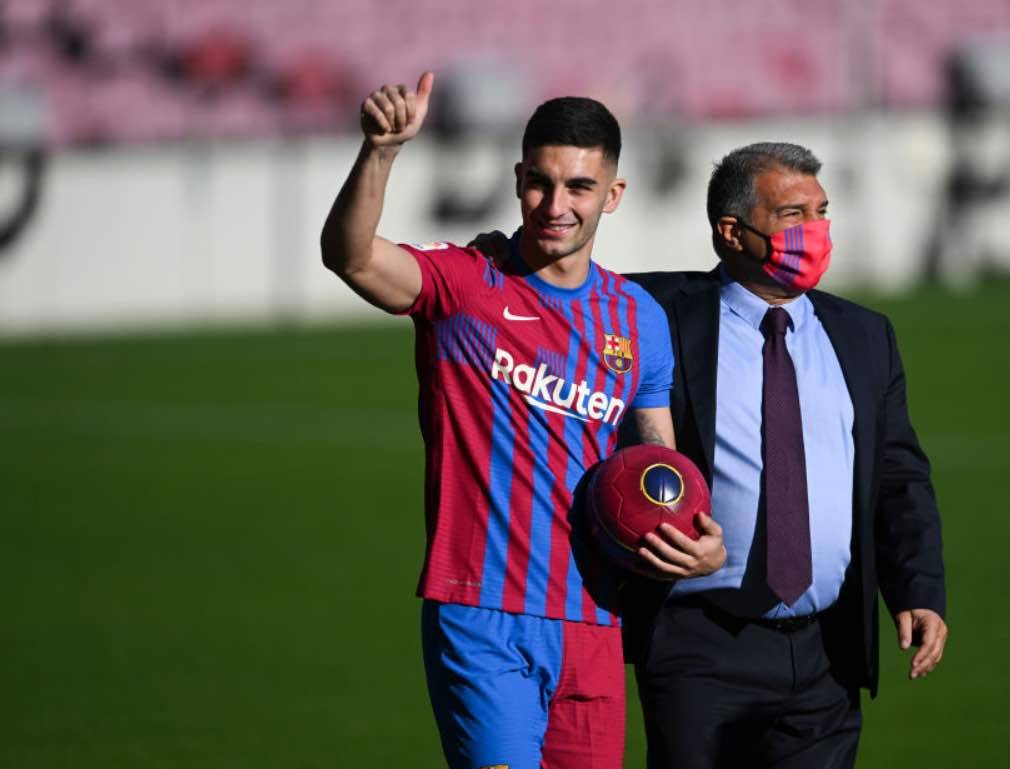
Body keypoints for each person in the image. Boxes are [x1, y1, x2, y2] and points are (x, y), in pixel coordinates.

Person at [318, 73, 725, 769]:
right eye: (540, 182)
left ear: (613, 196)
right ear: (516, 179)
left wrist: (699, 544)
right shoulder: (468, 286)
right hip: (481, 615)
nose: (556, 205)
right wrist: (380, 153)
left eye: (579, 188)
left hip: (594, 621)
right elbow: (350, 256)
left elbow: (660, 471)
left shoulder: (639, 322)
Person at [621, 142, 949, 769]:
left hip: (826, 652)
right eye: (794, 216)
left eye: (822, 212)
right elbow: (558, 287)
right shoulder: (657, 313)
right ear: (732, 231)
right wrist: (498, 256)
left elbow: (899, 474)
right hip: (699, 646)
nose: (817, 232)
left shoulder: (865, 334)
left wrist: (919, 587)